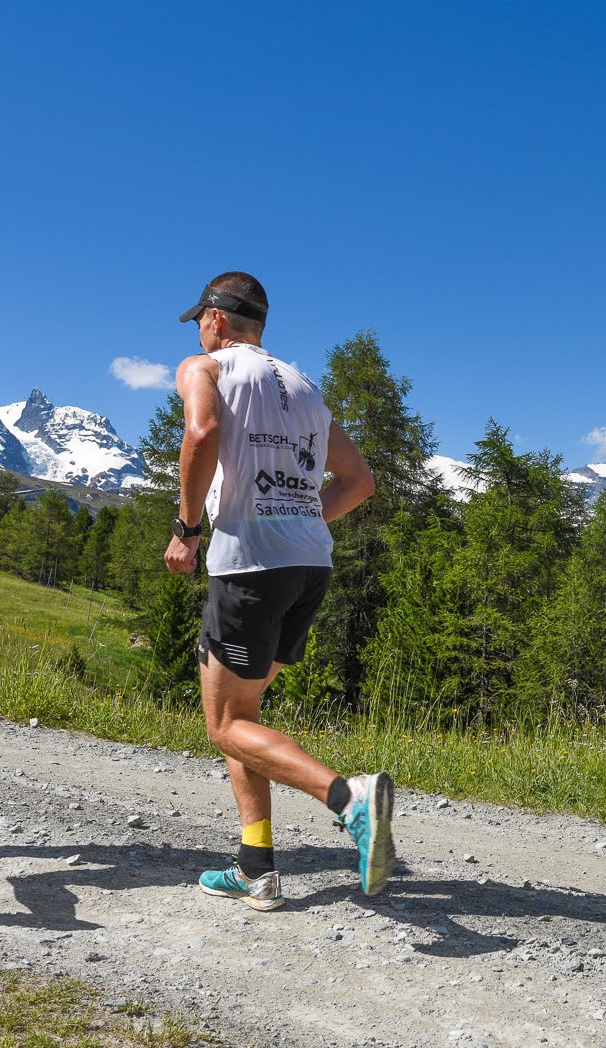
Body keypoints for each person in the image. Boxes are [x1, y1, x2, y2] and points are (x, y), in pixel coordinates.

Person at [165, 270, 390, 910]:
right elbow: (358, 480)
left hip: (248, 565)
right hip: (307, 566)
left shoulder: (202, 369)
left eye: (200, 323)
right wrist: (300, 518)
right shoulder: (303, 386)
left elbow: (202, 434)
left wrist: (185, 528)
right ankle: (254, 867)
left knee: (226, 725)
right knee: (247, 717)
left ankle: (350, 800)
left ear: (214, 318)